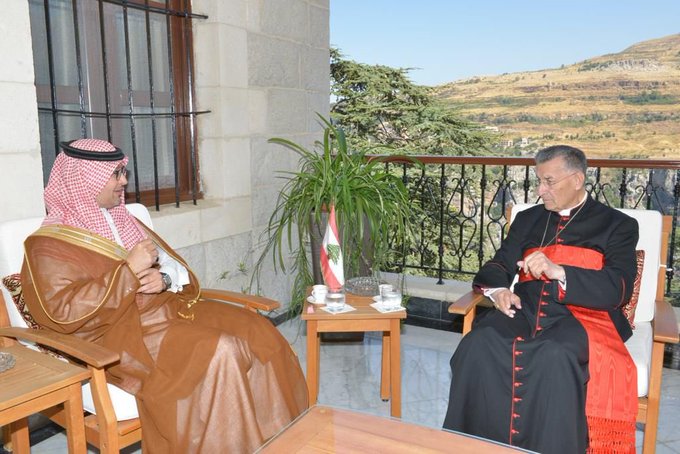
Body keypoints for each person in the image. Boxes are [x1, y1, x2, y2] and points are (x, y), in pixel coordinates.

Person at [20, 138, 308, 453]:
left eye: (123, 172)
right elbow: (61, 313)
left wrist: (165, 278)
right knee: (220, 350)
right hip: (119, 333)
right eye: (116, 174)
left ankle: (283, 444)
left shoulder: (123, 218)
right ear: (85, 178)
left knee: (258, 330)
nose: (124, 181)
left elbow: (172, 265)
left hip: (168, 307)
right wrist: (128, 273)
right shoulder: (46, 245)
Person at [443, 145, 639, 453]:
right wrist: (498, 291)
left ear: (577, 180)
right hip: (525, 309)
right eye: (539, 180)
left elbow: (620, 287)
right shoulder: (528, 219)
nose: (540, 190)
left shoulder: (618, 225)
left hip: (584, 317)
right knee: (477, 344)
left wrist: (560, 271)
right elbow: (499, 264)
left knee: (555, 354)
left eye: (549, 182)